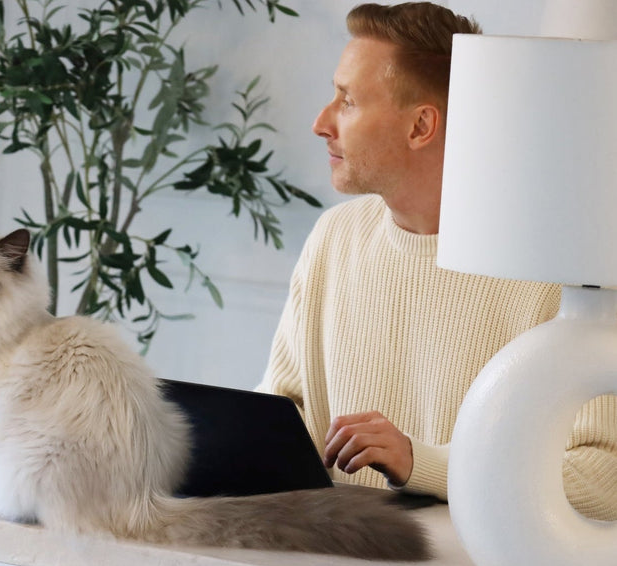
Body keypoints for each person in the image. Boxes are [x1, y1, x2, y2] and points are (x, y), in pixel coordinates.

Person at [259, 1, 617, 520]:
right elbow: (285, 416)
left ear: (421, 126)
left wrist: (418, 462)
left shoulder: (555, 272)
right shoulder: (334, 237)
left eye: (348, 101)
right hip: (339, 551)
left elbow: (602, 477)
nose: (320, 123)